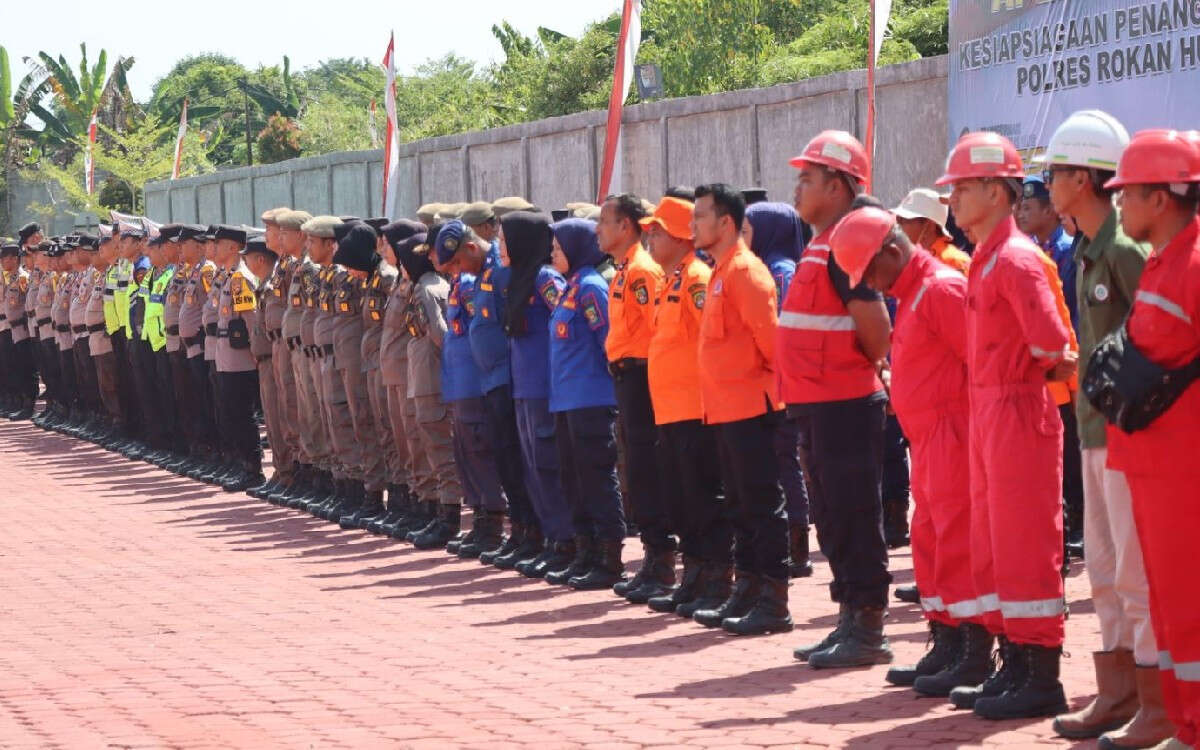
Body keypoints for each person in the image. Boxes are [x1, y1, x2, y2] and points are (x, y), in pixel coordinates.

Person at [1036, 111, 1167, 747]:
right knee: (1106, 572)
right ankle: (1119, 693)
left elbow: (1160, 338)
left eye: (1057, 172)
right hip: (1094, 429)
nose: (1048, 183)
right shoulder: (1092, 247)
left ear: (1086, 178)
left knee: (1135, 573)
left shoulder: (1120, 247)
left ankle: (1154, 699)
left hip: (1126, 433)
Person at [828, 205, 995, 697]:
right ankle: (946, 638)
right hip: (929, 437)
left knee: (957, 541)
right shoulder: (917, 291)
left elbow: (979, 364)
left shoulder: (940, 289)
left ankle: (973, 650)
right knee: (932, 541)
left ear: (895, 250)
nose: (871, 285)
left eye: (871, 272)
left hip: (953, 435)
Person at [936, 131, 1074, 720]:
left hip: (1019, 412)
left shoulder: (1015, 259)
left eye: (964, 188)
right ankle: (1016, 659)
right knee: (994, 545)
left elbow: (1057, 349)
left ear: (997, 192)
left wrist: (1020, 397)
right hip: (993, 413)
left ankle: (1041, 671)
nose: (954, 200)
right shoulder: (988, 259)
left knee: (1024, 545)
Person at [1092, 129, 1200, 750]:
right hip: (1152, 465)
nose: (1120, 204)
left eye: (1127, 193)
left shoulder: (1192, 261)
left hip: (1184, 470)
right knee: (1166, 601)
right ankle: (1185, 722)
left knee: (1188, 601)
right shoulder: (1162, 259)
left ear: (1160, 198)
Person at [783, 131, 894, 668]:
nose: (798, 188)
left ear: (839, 185)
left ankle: (868, 627)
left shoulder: (846, 244)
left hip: (846, 404)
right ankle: (849, 617)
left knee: (853, 515)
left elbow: (876, 328)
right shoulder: (820, 243)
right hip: (817, 406)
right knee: (831, 518)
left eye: (808, 178)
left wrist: (858, 370)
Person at [690, 183, 792, 637]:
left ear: (725, 223)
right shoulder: (720, 271)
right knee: (740, 506)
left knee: (761, 505)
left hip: (752, 407)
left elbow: (772, 344)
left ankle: (773, 598)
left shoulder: (746, 272)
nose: (693, 225)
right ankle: (748, 588)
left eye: (700, 217)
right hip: (725, 409)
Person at [638, 197, 731, 616]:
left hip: (695, 409)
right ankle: (693, 575)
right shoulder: (670, 279)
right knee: (681, 499)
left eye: (656, 231)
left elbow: (711, 341)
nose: (650, 238)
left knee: (702, 498)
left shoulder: (696, 279)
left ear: (679, 236)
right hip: (670, 409)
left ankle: (715, 579)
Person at [442, 213, 542, 568]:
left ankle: (530, 531)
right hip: (489, 380)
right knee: (504, 457)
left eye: (456, 261)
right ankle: (520, 532)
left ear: (471, 246)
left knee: (517, 460)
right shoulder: (481, 273)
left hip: (507, 379)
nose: (456, 270)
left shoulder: (500, 272)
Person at [596, 193, 676, 602]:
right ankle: (652, 558)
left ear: (626, 226)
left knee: (647, 468)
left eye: (605, 221)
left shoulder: (643, 271)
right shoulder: (625, 270)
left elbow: (657, 330)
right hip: (627, 376)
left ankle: (661, 561)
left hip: (644, 376)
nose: (598, 230)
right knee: (638, 469)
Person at [545, 218, 627, 590]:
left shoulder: (592, 287)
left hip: (591, 399)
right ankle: (585, 551)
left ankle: (608, 557)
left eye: (558, 248)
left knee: (595, 477)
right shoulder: (570, 287)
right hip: (566, 399)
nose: (552, 254)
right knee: (573, 477)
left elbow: (607, 342)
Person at [499, 210, 575, 577]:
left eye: (504, 239)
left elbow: (564, 316)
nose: (500, 246)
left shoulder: (544, 277)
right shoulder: (518, 277)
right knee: (532, 467)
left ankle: (565, 540)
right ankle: (549, 537)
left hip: (545, 385)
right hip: (523, 386)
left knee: (547, 464)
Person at [742, 201, 813, 579]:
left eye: (748, 231)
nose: (743, 238)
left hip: (782, 384)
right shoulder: (763, 269)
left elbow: (781, 331)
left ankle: (797, 545)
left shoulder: (782, 272)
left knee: (785, 462)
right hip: (764, 383)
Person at [1021, 174, 1087, 559]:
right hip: (1043, 376)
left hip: (1066, 371)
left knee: (1072, 456)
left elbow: (1072, 317)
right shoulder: (1030, 250)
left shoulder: (1067, 252)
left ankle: (1076, 522)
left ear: (1050, 210)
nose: (1022, 213)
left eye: (1029, 207)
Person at [212, 227, 264, 492]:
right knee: (231, 411)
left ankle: (252, 468)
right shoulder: (230, 277)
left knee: (242, 413)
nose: (215, 248)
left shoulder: (240, 279)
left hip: (239, 358)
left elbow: (251, 319)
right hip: (226, 354)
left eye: (219, 244)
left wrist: (256, 352)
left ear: (233, 247)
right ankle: (242, 464)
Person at [894, 188, 971, 274]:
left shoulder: (954, 261)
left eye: (904, 219)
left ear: (929, 226)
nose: (898, 225)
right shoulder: (906, 260)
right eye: (898, 219)